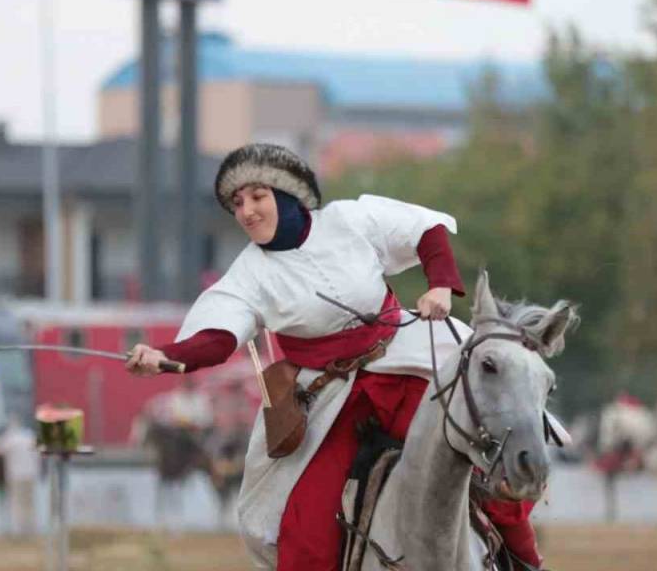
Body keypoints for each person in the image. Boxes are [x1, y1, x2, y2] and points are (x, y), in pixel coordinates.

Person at [125, 143, 541, 570]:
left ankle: (524, 560)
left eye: (257, 197)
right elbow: (216, 335)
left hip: (411, 358)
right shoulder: (248, 273)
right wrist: (164, 355)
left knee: (484, 459)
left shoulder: (349, 219)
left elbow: (425, 230)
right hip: (330, 397)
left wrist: (439, 285)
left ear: (286, 196)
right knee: (307, 520)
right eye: (237, 203)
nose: (246, 211)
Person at [0, 418, 40, 537]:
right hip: (31, 474)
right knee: (30, 503)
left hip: (16, 475)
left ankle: (20, 531)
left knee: (17, 503)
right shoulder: (30, 436)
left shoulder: (10, 437)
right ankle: (31, 529)